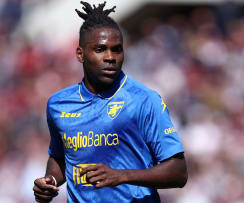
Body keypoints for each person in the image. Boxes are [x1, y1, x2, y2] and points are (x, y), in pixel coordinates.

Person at [32, 1, 188, 202]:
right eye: (100, 49)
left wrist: (122, 176)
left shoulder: (144, 99)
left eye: (117, 49)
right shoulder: (58, 105)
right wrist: (50, 180)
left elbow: (179, 172)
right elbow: (61, 157)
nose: (110, 57)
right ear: (80, 54)